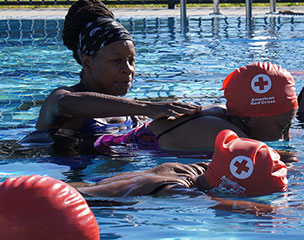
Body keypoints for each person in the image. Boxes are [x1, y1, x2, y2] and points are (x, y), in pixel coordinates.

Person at [34, 0, 200, 134]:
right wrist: (147, 107)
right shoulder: (62, 98)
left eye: (131, 60)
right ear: (87, 63)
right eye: (116, 61)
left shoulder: (133, 114)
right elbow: (65, 104)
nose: (128, 69)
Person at [94, 62, 298, 153]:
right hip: (108, 152)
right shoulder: (225, 134)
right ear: (249, 118)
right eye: (281, 127)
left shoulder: (229, 113)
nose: (286, 137)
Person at [73, 130, 288, 198]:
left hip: (78, 188)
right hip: (76, 200)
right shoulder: (174, 190)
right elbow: (237, 205)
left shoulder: (188, 170)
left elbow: (223, 166)